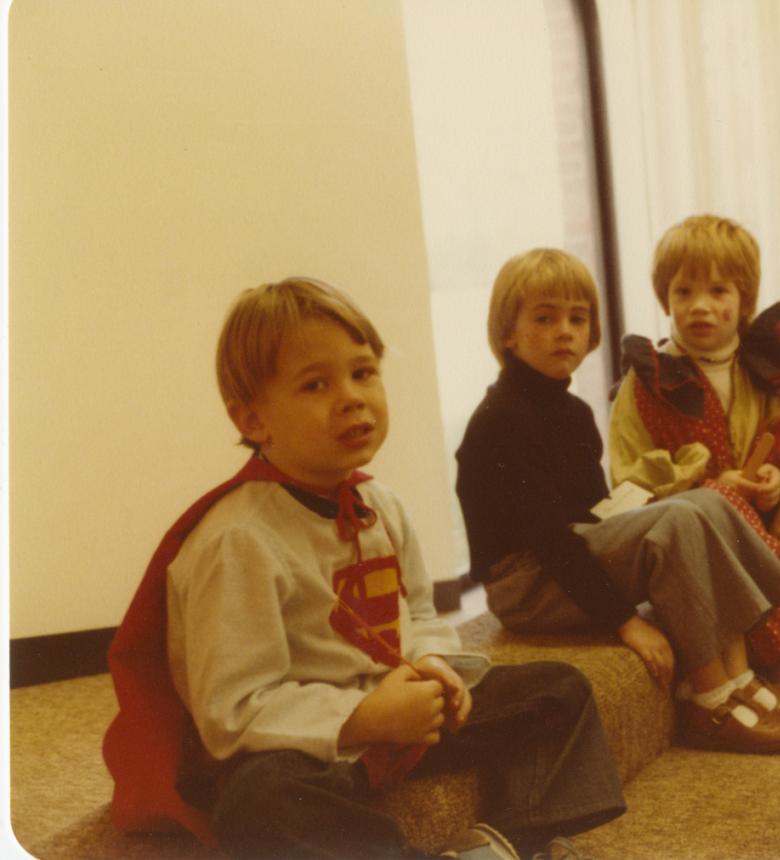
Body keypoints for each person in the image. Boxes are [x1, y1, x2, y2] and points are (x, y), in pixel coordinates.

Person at [102, 277, 626, 860]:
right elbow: (233, 711)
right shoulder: (238, 541)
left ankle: (511, 842)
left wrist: (431, 664)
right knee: (261, 803)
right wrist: (362, 717)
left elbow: (420, 613)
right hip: (314, 747)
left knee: (560, 690)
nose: (351, 397)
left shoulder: (382, 506)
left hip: (399, 718)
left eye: (363, 373)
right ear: (253, 420)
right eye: (315, 384)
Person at [455, 248, 780, 756]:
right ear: (508, 333)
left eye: (577, 318)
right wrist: (625, 619)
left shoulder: (575, 413)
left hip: (566, 553)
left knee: (709, 502)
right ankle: (709, 695)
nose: (565, 330)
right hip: (525, 583)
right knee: (674, 520)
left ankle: (740, 678)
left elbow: (594, 514)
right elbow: (551, 541)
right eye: (545, 318)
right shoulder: (502, 420)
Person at [606, 214, 780, 707]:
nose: (700, 307)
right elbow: (630, 478)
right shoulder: (647, 382)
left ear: (743, 301)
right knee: (719, 501)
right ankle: (779, 651)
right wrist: (707, 478)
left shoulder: (763, 368)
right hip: (699, 523)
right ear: (666, 299)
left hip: (771, 515)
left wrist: (779, 474)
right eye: (683, 292)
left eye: (717, 292)